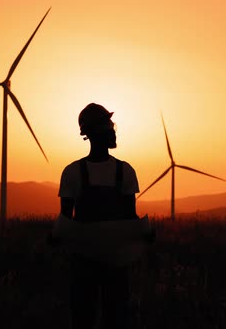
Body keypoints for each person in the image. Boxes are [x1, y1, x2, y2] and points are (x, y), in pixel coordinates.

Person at [52, 103, 145, 329]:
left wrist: (144, 233)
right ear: (92, 133)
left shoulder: (125, 171)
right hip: (87, 261)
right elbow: (65, 217)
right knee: (85, 317)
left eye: (112, 125)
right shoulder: (73, 172)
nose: (113, 130)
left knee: (114, 318)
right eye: (107, 126)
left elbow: (130, 217)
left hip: (114, 259)